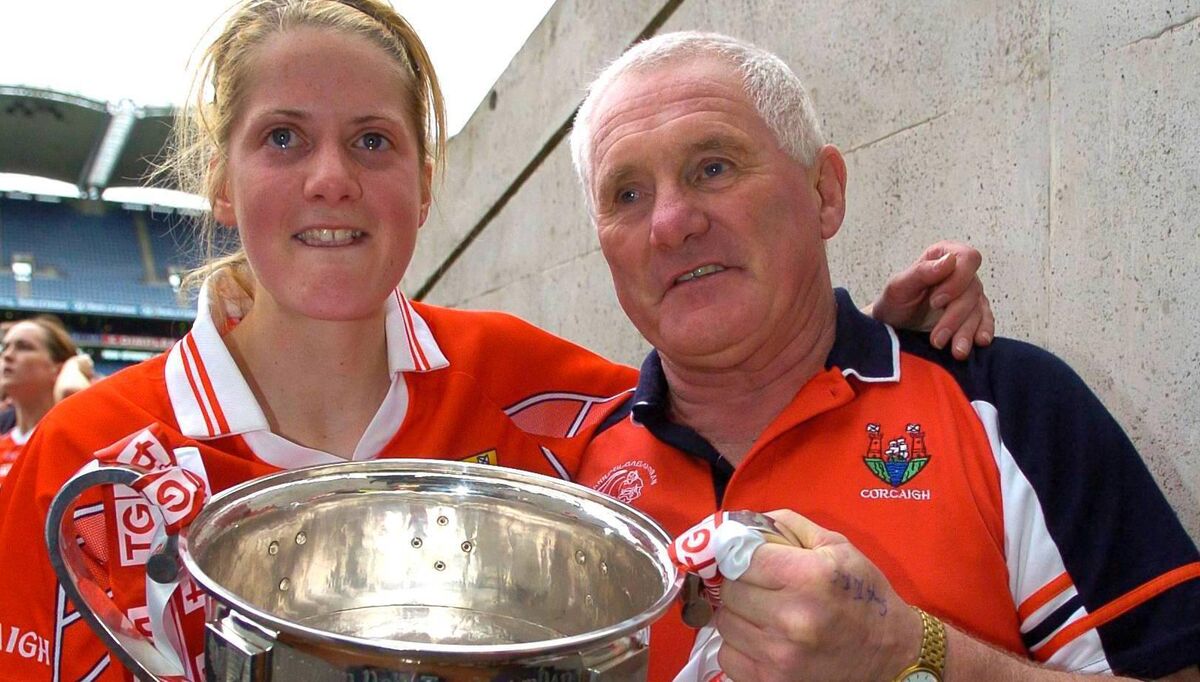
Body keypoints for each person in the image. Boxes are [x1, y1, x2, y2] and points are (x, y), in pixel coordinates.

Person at [0, 4, 992, 680]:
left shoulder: (535, 388)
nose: (333, 177)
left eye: (374, 140)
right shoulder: (76, 464)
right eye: (284, 137)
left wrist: (879, 338)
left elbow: (730, 397)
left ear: (426, 185)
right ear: (221, 183)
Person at [568, 31, 1200, 682]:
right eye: (627, 194)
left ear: (824, 193)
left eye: (713, 167)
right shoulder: (572, 485)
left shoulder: (1010, 405)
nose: (670, 222)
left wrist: (908, 654)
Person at [0, 316, 79, 487]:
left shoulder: (69, 443)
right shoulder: (3, 441)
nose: (7, 355)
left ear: (58, 368)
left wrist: (75, 366)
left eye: (24, 347)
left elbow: (71, 389)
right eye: (5, 347)